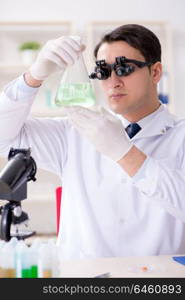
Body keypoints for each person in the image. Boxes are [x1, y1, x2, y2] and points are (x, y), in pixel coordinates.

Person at [0, 24, 185, 260]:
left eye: (124, 68)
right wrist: (33, 77)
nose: (113, 81)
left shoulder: (180, 136)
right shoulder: (74, 132)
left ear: (156, 72)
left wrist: (125, 153)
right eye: (104, 71)